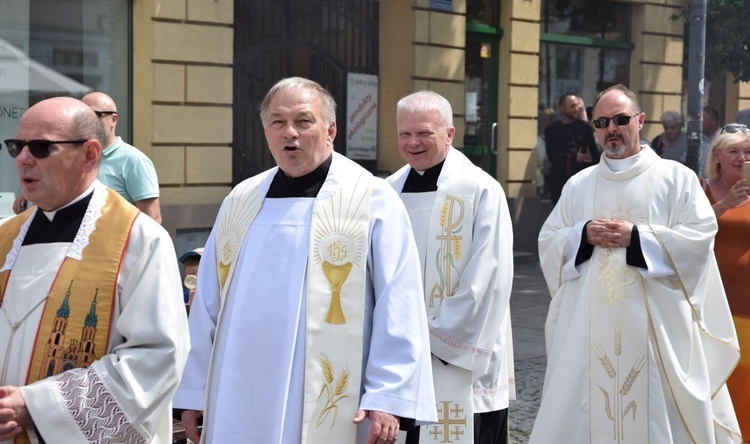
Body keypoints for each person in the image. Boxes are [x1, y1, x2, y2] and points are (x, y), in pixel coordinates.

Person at [173, 77, 437, 443]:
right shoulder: (240, 201)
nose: (289, 134)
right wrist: (192, 392)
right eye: (278, 122)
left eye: (303, 121)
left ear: (330, 130)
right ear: (266, 131)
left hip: (330, 401)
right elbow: (206, 305)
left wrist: (387, 395)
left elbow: (400, 302)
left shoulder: (371, 198)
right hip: (238, 392)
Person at [531, 84, 742, 443]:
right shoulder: (578, 185)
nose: (611, 127)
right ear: (594, 127)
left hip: (656, 332)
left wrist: (638, 238)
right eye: (602, 121)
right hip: (589, 331)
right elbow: (549, 242)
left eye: (621, 119)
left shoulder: (676, 179)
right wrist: (582, 235)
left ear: (640, 121)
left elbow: (699, 237)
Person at [0, 97, 189, 443]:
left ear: (89, 154)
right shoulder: (6, 237)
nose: (24, 159)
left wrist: (37, 407)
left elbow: (157, 359)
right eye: (17, 146)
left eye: (41, 147)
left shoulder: (139, 240)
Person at [387, 91, 514, 444]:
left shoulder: (480, 190)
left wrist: (435, 336)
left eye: (424, 132)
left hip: (460, 358)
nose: (413, 143)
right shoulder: (386, 193)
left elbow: (490, 276)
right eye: (404, 134)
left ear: (449, 134)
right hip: (403, 355)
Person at [12, 91, 162, 223]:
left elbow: (152, 218)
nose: (87, 122)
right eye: (82, 116)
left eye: (95, 115)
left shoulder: (134, 160)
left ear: (114, 119)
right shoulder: (73, 153)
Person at [700, 123, 750, 438]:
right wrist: (727, 204)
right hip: (712, 309)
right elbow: (687, 232)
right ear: (717, 155)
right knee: (718, 385)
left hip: (748, 311)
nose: (741, 158)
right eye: (734, 151)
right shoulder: (699, 188)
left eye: (747, 152)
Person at [544, 94, 601, 203]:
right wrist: (575, 157)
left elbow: (594, 155)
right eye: (572, 106)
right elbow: (552, 156)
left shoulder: (584, 128)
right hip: (559, 181)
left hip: (581, 181)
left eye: (577, 106)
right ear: (561, 107)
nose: (576, 109)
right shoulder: (551, 130)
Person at [701, 105, 722, 176]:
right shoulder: (696, 138)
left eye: (703, 118)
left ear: (712, 120)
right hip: (699, 183)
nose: (699, 121)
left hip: (719, 183)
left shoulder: (724, 137)